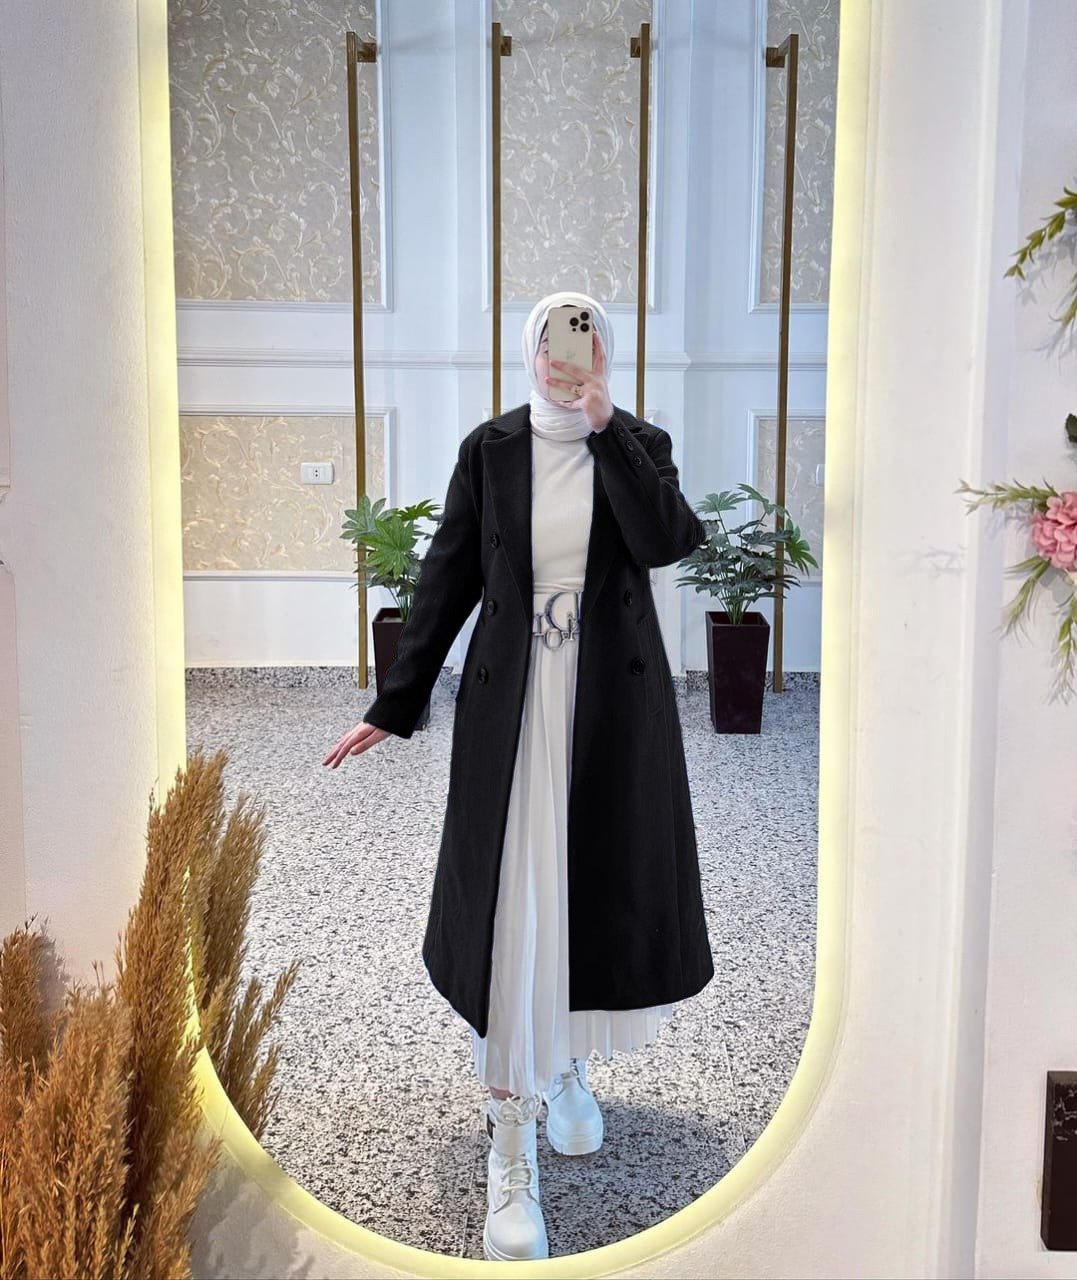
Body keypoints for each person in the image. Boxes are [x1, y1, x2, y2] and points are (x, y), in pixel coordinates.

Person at [324, 290, 709, 1261]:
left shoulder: (639, 443)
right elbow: (448, 577)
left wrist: (608, 427)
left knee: (586, 891)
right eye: (549, 339)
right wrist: (394, 701)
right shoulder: (489, 450)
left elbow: (667, 540)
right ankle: (508, 1141)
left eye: (582, 340)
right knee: (511, 903)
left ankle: (566, 1061)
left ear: (602, 353)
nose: (562, 356)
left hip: (609, 710)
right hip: (513, 710)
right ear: (528, 350)